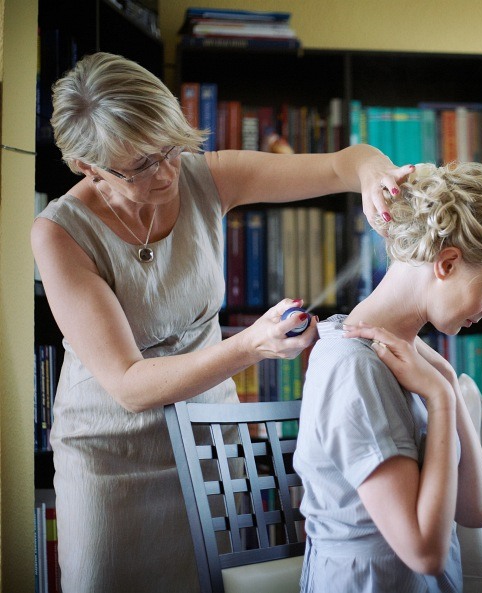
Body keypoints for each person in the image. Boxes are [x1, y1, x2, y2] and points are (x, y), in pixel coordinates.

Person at [30, 52, 411, 593]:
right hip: (111, 458)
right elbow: (130, 385)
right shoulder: (59, 233)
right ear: (87, 167)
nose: (165, 172)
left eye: (168, 148)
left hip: (209, 439)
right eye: (138, 165)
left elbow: (340, 165)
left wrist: (374, 174)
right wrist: (252, 346)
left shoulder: (206, 178)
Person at [294, 161, 482, 592]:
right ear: (446, 263)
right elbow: (425, 552)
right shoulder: (353, 366)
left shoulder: (410, 358)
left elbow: (475, 510)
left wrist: (443, 379)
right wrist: (441, 400)